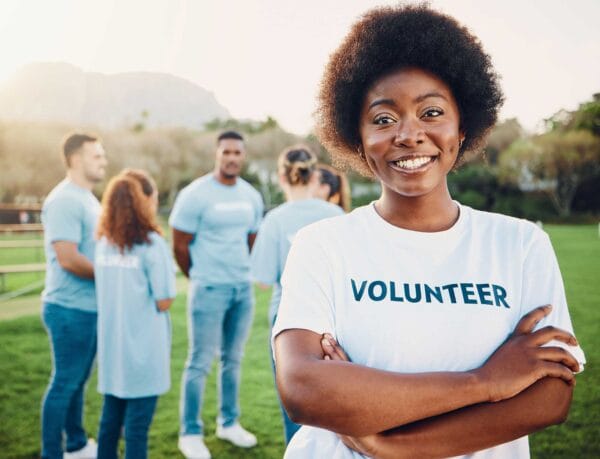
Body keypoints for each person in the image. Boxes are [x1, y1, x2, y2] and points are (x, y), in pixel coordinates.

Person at [272, 5, 586, 459]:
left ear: (462, 129)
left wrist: (394, 444)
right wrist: (488, 382)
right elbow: (303, 388)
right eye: (383, 119)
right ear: (358, 140)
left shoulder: (519, 244)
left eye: (432, 112)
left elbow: (551, 395)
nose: (409, 134)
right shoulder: (323, 245)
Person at [170, 130, 264, 459]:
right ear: (217, 154)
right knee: (199, 362)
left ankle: (228, 423)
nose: (232, 158)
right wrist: (198, 276)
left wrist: (243, 272)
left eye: (238, 152)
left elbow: (253, 240)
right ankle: (190, 432)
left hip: (242, 289)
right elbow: (179, 245)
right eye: (227, 152)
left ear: (243, 156)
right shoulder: (195, 194)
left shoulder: (251, 195)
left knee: (232, 361)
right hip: (208, 289)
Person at [251, 145, 344, 444]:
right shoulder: (335, 214)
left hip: (288, 323)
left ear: (281, 177)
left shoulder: (275, 220)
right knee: (335, 409)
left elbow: (263, 280)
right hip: (334, 320)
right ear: (315, 174)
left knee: (297, 408)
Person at [94, 169, 176, 458]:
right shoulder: (151, 244)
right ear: (142, 203)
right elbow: (164, 299)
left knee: (109, 424)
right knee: (137, 429)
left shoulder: (102, 243)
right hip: (142, 350)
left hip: (112, 349)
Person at [40, 133, 107, 459]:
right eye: (97, 156)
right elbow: (67, 257)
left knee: (76, 382)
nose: (103, 161)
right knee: (65, 383)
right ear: (77, 159)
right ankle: (52, 453)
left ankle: (77, 444)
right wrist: (112, 279)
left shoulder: (87, 198)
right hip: (68, 309)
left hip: (87, 308)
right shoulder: (65, 199)